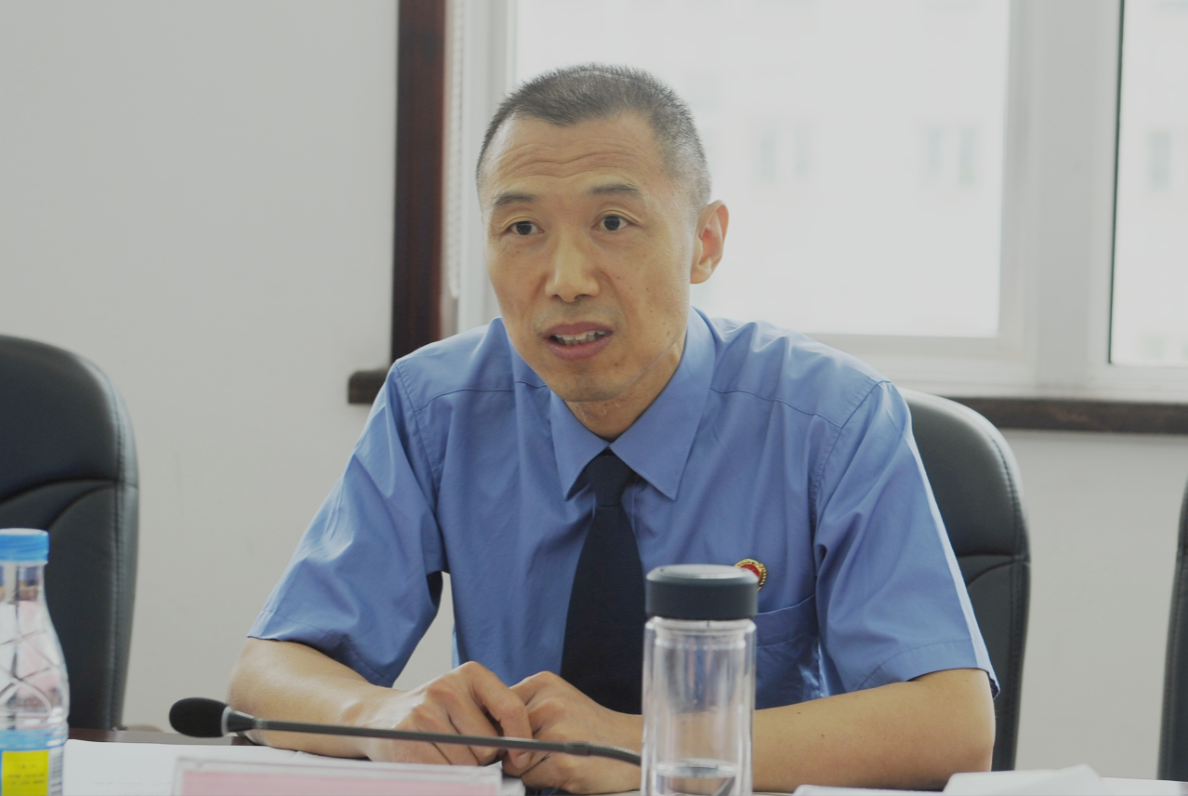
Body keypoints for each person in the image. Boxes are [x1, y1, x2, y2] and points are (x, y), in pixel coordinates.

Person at [227, 64, 997, 794]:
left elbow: (953, 725)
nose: (566, 280)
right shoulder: (435, 407)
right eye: (522, 227)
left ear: (704, 243)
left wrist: (641, 743)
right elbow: (268, 671)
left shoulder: (832, 420)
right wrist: (380, 717)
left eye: (613, 222)